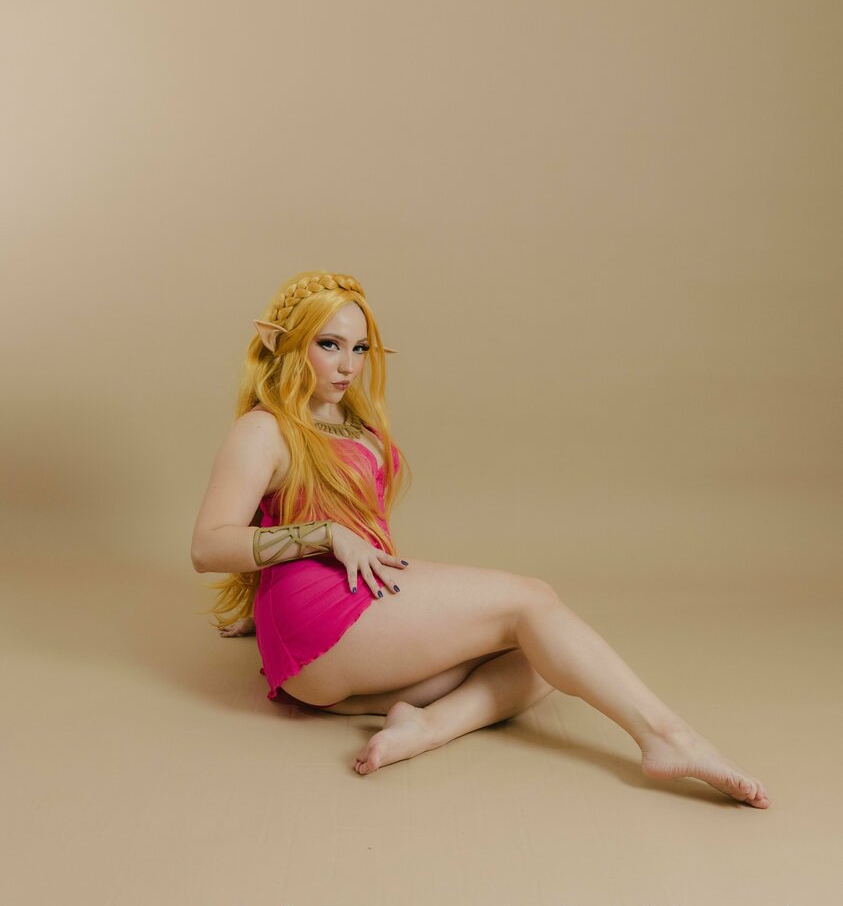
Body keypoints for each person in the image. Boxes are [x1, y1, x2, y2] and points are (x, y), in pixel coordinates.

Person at [191, 270, 770, 807]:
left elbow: (350, 527)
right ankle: (668, 738)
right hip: (320, 623)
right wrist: (322, 537)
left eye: (360, 348)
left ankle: (428, 726)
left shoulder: (353, 422)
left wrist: (272, 597)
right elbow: (208, 546)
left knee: (548, 651)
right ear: (288, 345)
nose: (348, 365)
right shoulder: (262, 429)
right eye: (329, 345)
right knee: (534, 601)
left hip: (344, 625)